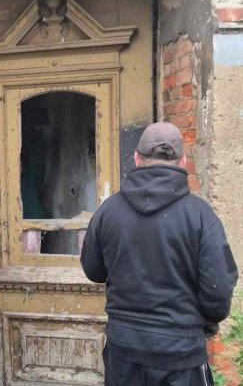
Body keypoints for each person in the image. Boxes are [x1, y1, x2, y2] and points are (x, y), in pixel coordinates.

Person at [81, 121, 238, 386]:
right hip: (180, 356)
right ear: (183, 162)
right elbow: (218, 295)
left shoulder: (108, 211)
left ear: (136, 158)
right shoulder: (201, 216)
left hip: (124, 354)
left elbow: (93, 270)